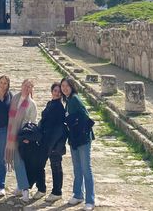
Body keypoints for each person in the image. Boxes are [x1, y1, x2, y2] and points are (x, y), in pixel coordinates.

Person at [61, 77, 96, 211]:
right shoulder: (68, 100)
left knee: (86, 168)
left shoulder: (75, 99)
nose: (64, 88)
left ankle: (90, 200)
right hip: (74, 138)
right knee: (77, 168)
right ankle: (78, 194)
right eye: (62, 86)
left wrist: (74, 123)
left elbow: (85, 116)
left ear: (72, 87)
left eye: (67, 86)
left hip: (82, 138)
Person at [5, 79, 37, 202]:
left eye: (29, 86)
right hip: (11, 135)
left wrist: (27, 138)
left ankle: (25, 189)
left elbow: (33, 122)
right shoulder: (14, 98)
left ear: (31, 89)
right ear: (21, 85)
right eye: (25, 85)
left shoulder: (31, 104)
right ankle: (20, 186)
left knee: (18, 162)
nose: (26, 88)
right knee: (17, 161)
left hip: (22, 136)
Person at [38, 82, 68, 202]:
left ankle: (57, 191)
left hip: (55, 142)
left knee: (56, 166)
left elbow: (58, 128)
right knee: (41, 164)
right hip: (46, 140)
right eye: (55, 91)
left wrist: (53, 144)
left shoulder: (59, 107)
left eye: (59, 92)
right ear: (52, 91)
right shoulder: (50, 103)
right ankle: (41, 189)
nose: (56, 93)